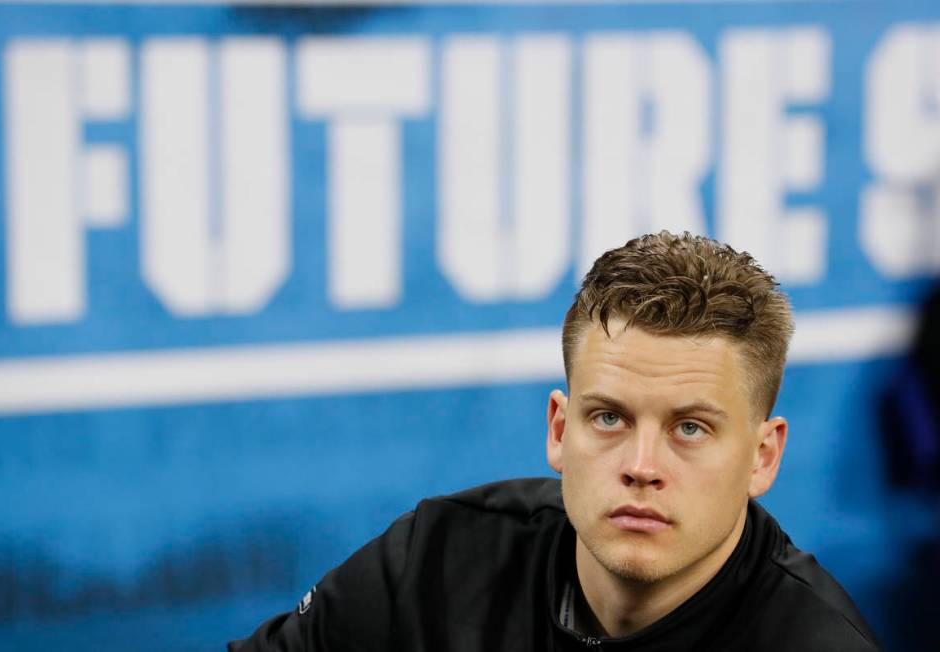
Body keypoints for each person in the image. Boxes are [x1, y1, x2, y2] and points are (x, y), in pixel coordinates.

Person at [229, 232, 881, 651]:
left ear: (762, 457)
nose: (641, 466)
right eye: (609, 419)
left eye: (690, 428)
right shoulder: (437, 561)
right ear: (560, 430)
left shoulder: (814, 641)